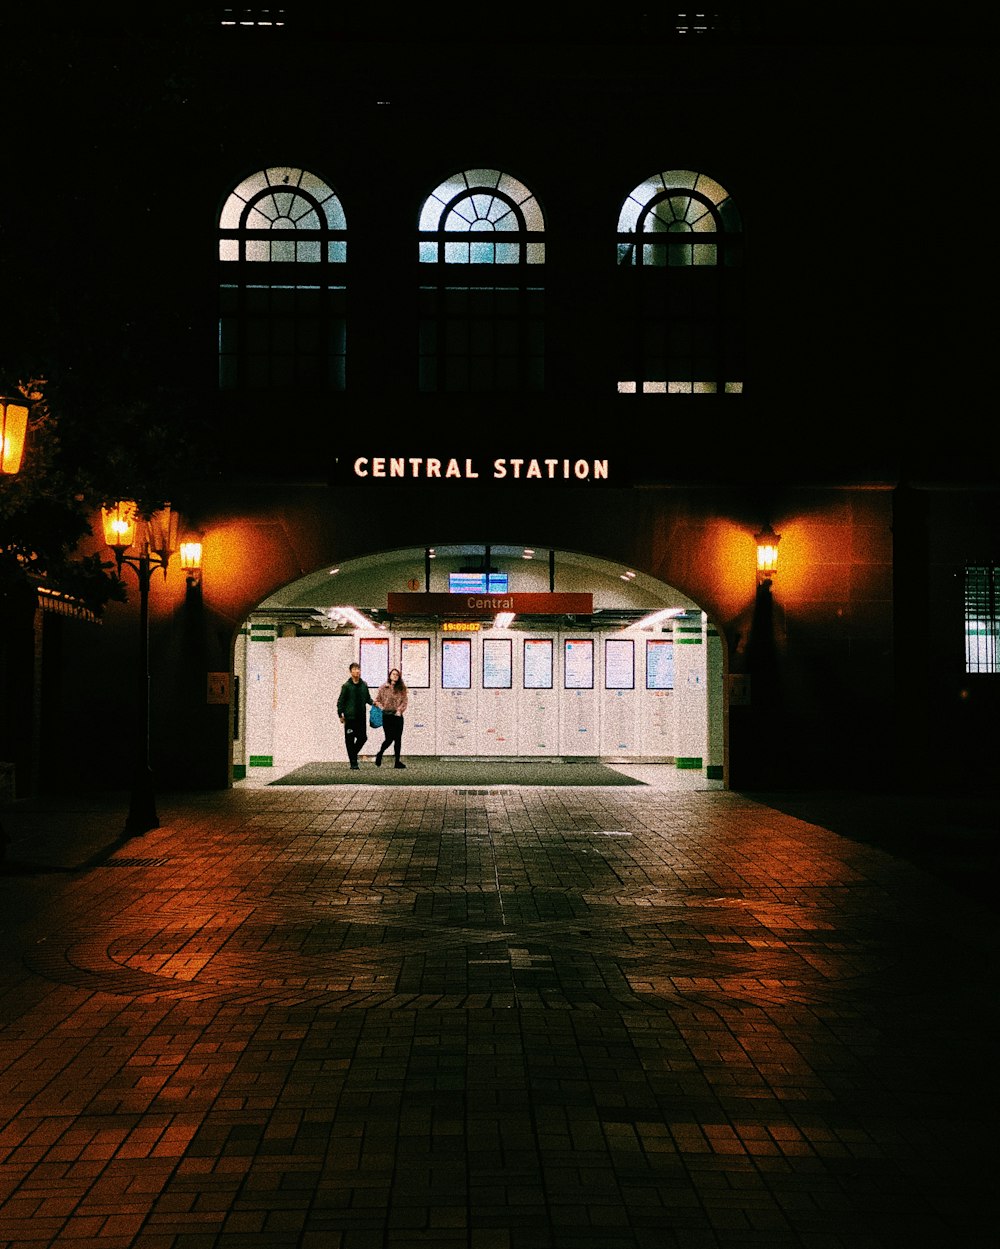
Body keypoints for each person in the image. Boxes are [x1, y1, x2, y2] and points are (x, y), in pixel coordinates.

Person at [336, 662, 372, 770]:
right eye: (354, 669)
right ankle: (353, 763)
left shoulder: (364, 685)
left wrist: (373, 703)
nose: (357, 671)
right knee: (350, 740)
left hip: (361, 717)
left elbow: (367, 699)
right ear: (350, 672)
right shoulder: (346, 686)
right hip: (350, 718)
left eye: (358, 669)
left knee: (363, 738)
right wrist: (340, 715)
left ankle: (352, 755)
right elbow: (340, 702)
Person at [373, 668, 408, 769]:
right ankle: (380, 753)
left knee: (398, 739)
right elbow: (377, 700)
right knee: (389, 738)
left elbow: (404, 701)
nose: (395, 676)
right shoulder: (383, 688)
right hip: (387, 716)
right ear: (389, 675)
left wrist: (399, 710)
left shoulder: (402, 688)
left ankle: (397, 761)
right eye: (393, 674)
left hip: (397, 716)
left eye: (397, 674)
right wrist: (381, 707)